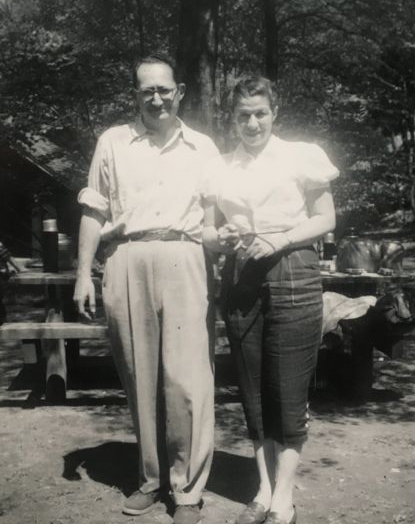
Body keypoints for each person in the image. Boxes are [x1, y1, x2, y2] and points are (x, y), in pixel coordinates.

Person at [73, 54, 218, 524]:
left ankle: (189, 491)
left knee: (187, 379)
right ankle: (152, 480)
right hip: (126, 259)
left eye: (164, 89)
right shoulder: (113, 142)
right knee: (140, 378)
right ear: (135, 95)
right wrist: (82, 274)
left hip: (184, 255)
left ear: (179, 92)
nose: (156, 98)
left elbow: (221, 214)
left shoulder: (203, 147)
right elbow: (94, 210)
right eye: (146, 91)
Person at [203, 76, 339, 524]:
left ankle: (284, 496)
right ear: (233, 117)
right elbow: (206, 230)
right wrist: (220, 238)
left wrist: (280, 240)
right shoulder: (220, 166)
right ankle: (262, 489)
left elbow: (325, 218)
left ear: (274, 112)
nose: (252, 122)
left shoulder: (302, 155)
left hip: (294, 270)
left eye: (260, 112)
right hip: (241, 274)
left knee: (288, 389)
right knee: (252, 390)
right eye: (243, 115)